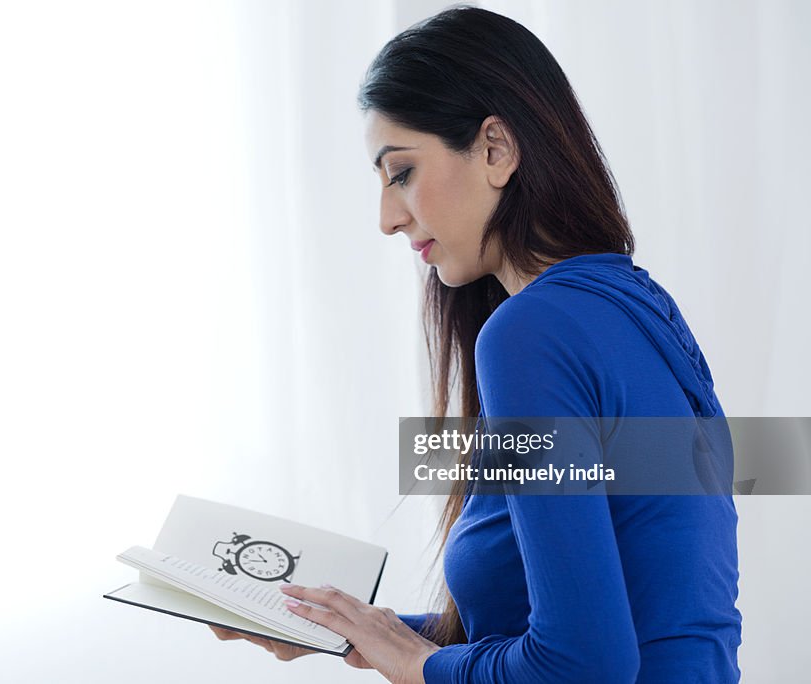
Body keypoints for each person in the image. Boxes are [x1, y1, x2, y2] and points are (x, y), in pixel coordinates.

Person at [210, 5, 742, 683]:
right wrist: (355, 630)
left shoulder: (530, 335)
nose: (387, 218)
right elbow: (612, 624)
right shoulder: (639, 308)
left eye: (399, 172)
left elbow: (582, 667)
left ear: (496, 148)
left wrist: (421, 668)